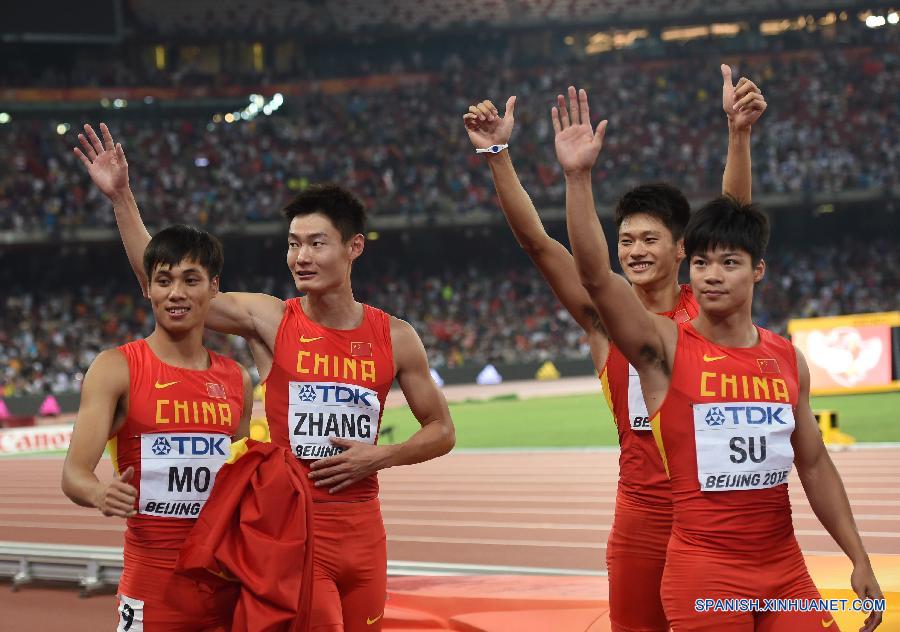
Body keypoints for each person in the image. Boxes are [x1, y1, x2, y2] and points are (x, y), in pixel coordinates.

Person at [74, 123, 456, 632]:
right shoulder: (271, 320)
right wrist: (122, 198)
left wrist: (381, 456)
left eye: (316, 244)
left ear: (354, 247)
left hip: (366, 536)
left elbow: (442, 430)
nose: (301, 257)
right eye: (293, 244)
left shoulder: (396, 337)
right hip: (295, 533)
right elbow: (169, 282)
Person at [559, 85, 883, 631]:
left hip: (785, 571)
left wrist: (858, 554)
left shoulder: (786, 359)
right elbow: (594, 275)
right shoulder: (663, 346)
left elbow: (814, 462)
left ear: (757, 270)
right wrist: (577, 177)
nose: (711, 275)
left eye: (728, 263)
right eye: (702, 264)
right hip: (707, 575)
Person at [461, 65, 762, 631]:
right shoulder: (603, 322)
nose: (636, 251)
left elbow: (732, 221)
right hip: (641, 519)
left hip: (713, 512)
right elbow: (537, 243)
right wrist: (498, 154)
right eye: (626, 241)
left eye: (650, 240)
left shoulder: (707, 311)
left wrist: (738, 133)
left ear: (682, 252)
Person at [61, 221, 253, 631]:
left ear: (213, 286)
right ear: (148, 288)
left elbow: (241, 482)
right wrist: (100, 492)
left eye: (190, 279)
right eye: (163, 281)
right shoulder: (115, 368)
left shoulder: (237, 380)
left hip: (227, 588)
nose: (176, 293)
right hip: (153, 590)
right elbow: (74, 474)